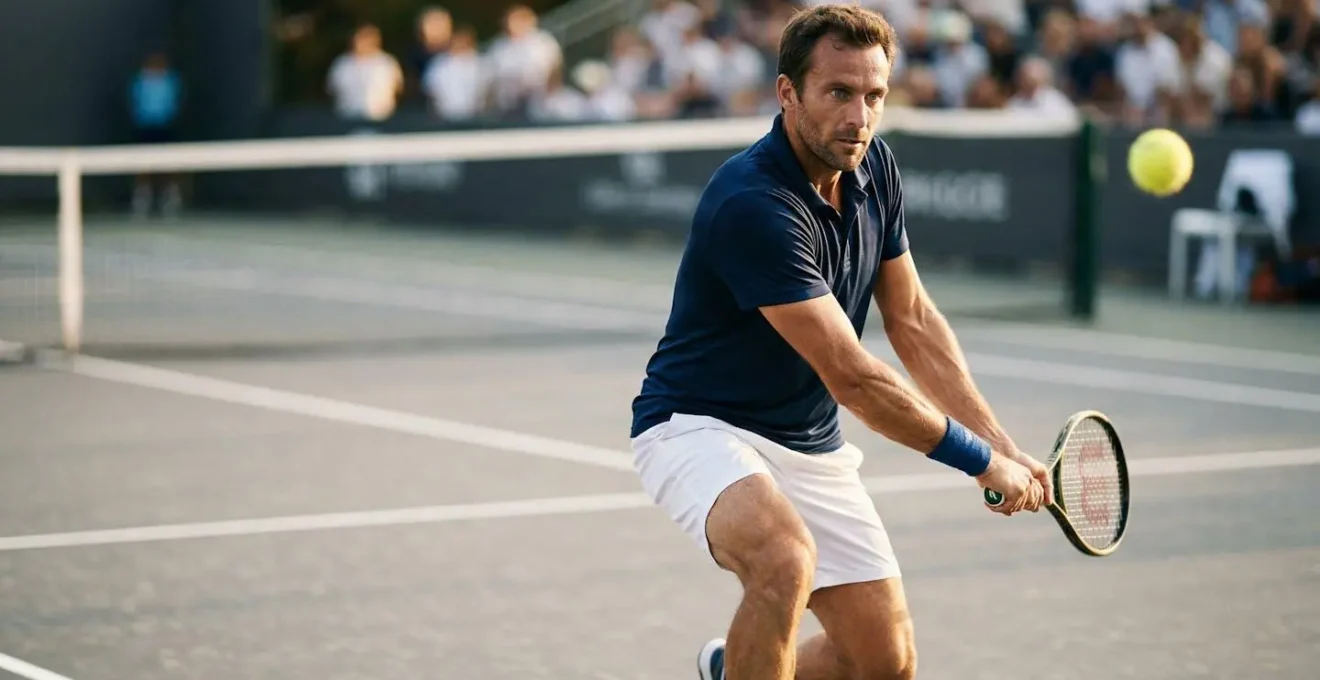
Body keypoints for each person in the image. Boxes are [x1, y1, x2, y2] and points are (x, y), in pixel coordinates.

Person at [627, 5, 1053, 680]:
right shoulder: (754, 204)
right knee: (784, 560)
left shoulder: (876, 165)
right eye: (839, 93)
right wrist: (979, 462)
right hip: (697, 425)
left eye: (874, 95)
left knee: (882, 664)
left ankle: (729, 669)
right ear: (788, 93)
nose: (859, 116)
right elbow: (854, 377)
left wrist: (1000, 443)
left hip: (808, 439)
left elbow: (912, 320)